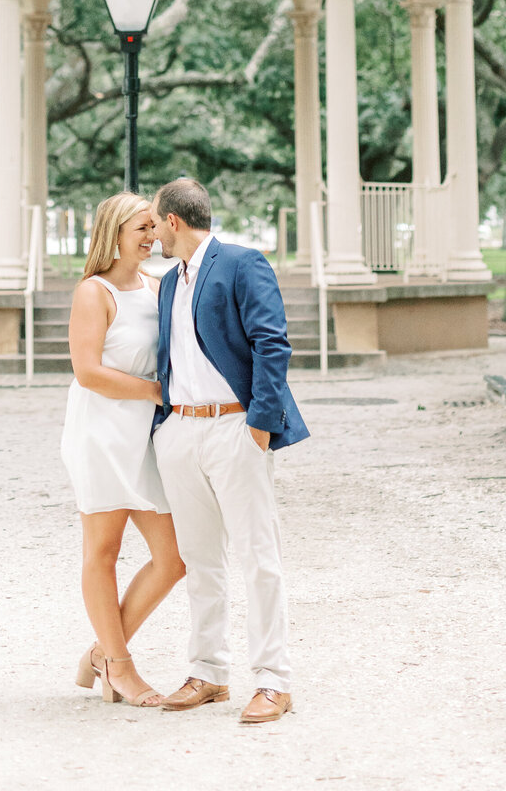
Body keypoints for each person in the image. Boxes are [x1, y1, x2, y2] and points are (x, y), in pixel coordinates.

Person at [149, 175, 308, 725]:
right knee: (201, 562)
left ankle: (273, 681)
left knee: (258, 558)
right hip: (181, 433)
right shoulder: (169, 282)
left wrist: (260, 426)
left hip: (236, 429)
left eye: (156, 222)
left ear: (174, 220)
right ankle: (209, 673)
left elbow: (273, 343)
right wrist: (164, 427)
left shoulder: (243, 263)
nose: (153, 235)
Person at [61, 192, 185, 708]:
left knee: (174, 558)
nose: (153, 236)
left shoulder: (159, 287)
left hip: (148, 436)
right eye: (142, 228)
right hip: (103, 431)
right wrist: (157, 391)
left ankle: (102, 653)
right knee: (103, 551)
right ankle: (120, 666)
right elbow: (87, 371)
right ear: (114, 234)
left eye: (154, 227)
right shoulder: (94, 291)